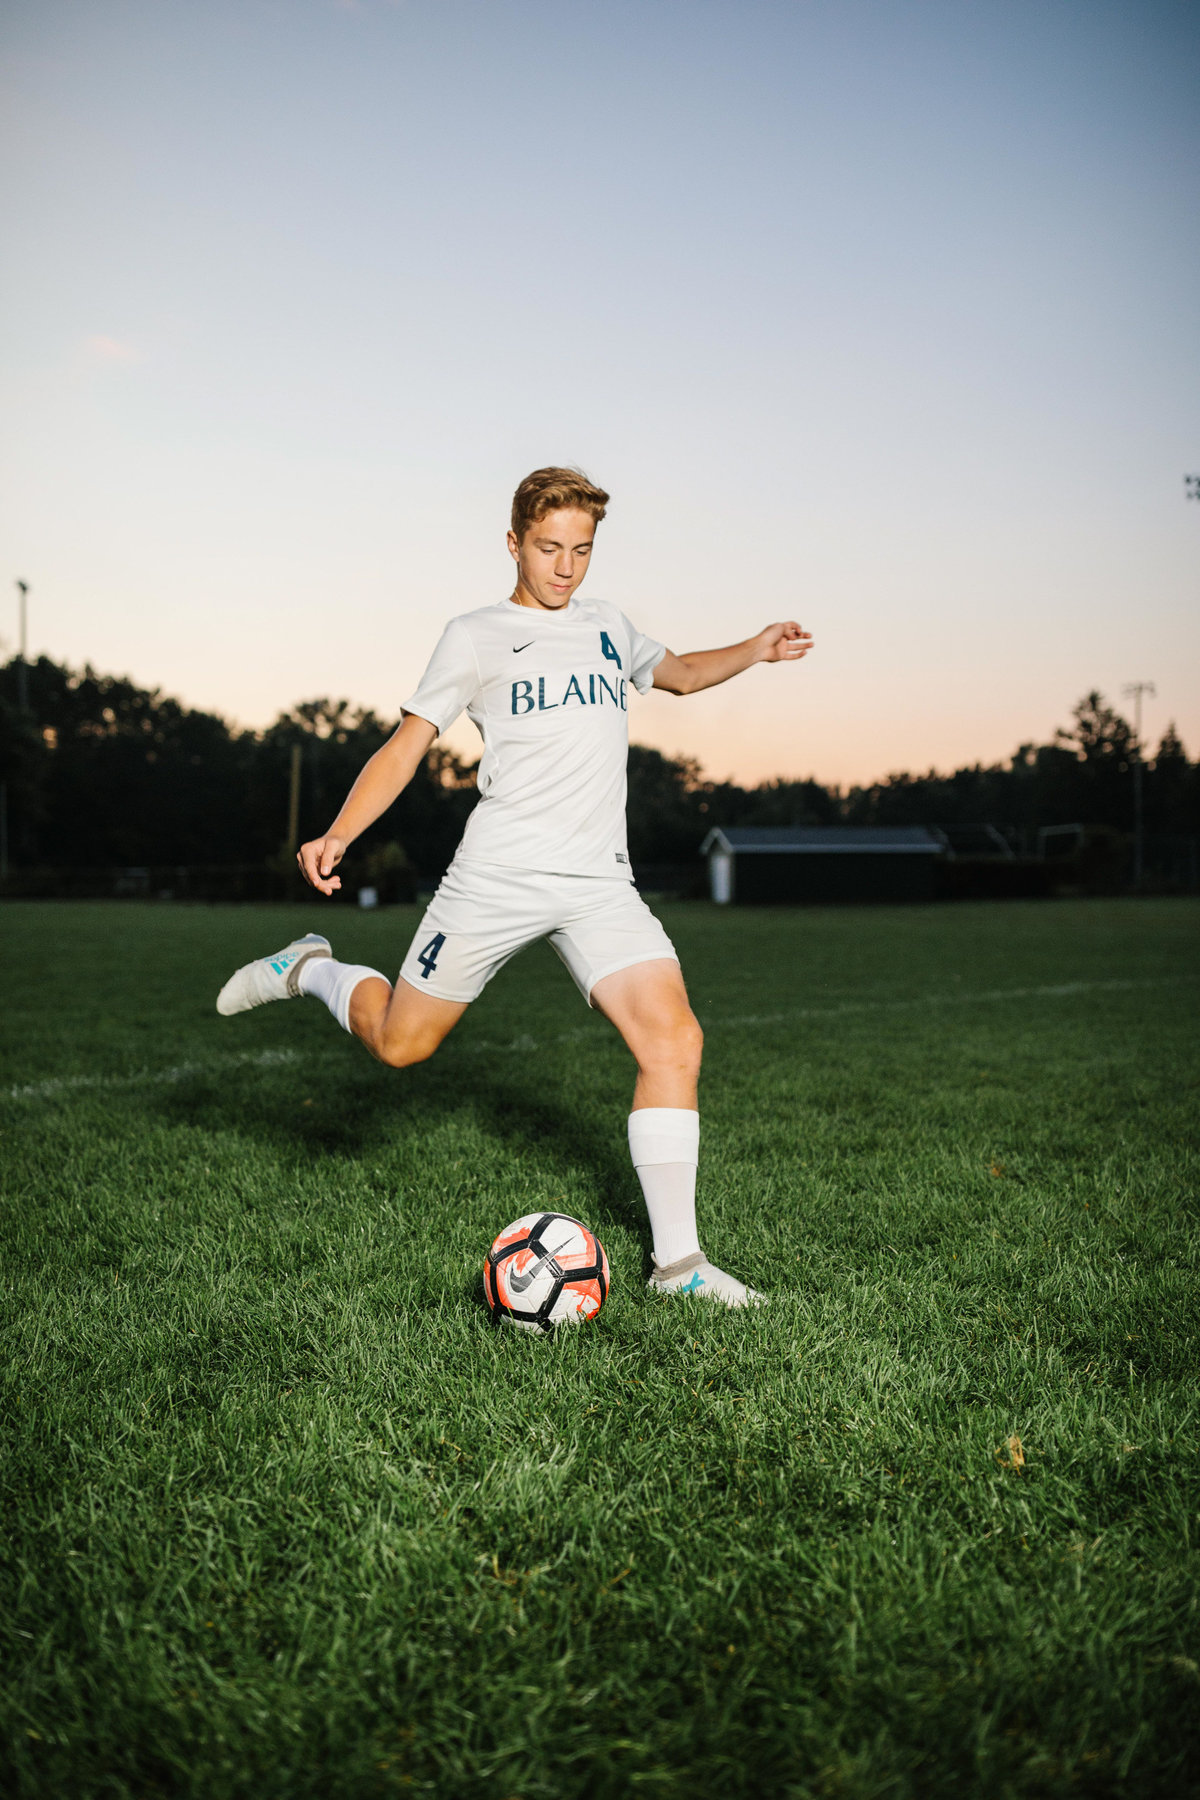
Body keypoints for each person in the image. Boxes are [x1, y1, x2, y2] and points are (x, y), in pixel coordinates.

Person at [217, 467, 813, 1306]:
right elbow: (406, 746)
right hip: (497, 878)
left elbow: (676, 674)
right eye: (548, 549)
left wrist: (754, 649)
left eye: (581, 550)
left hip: (600, 882)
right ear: (513, 544)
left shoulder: (609, 626)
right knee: (400, 1044)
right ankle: (310, 967)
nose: (566, 569)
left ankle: (680, 1267)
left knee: (674, 1041)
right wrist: (340, 832)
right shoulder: (475, 635)